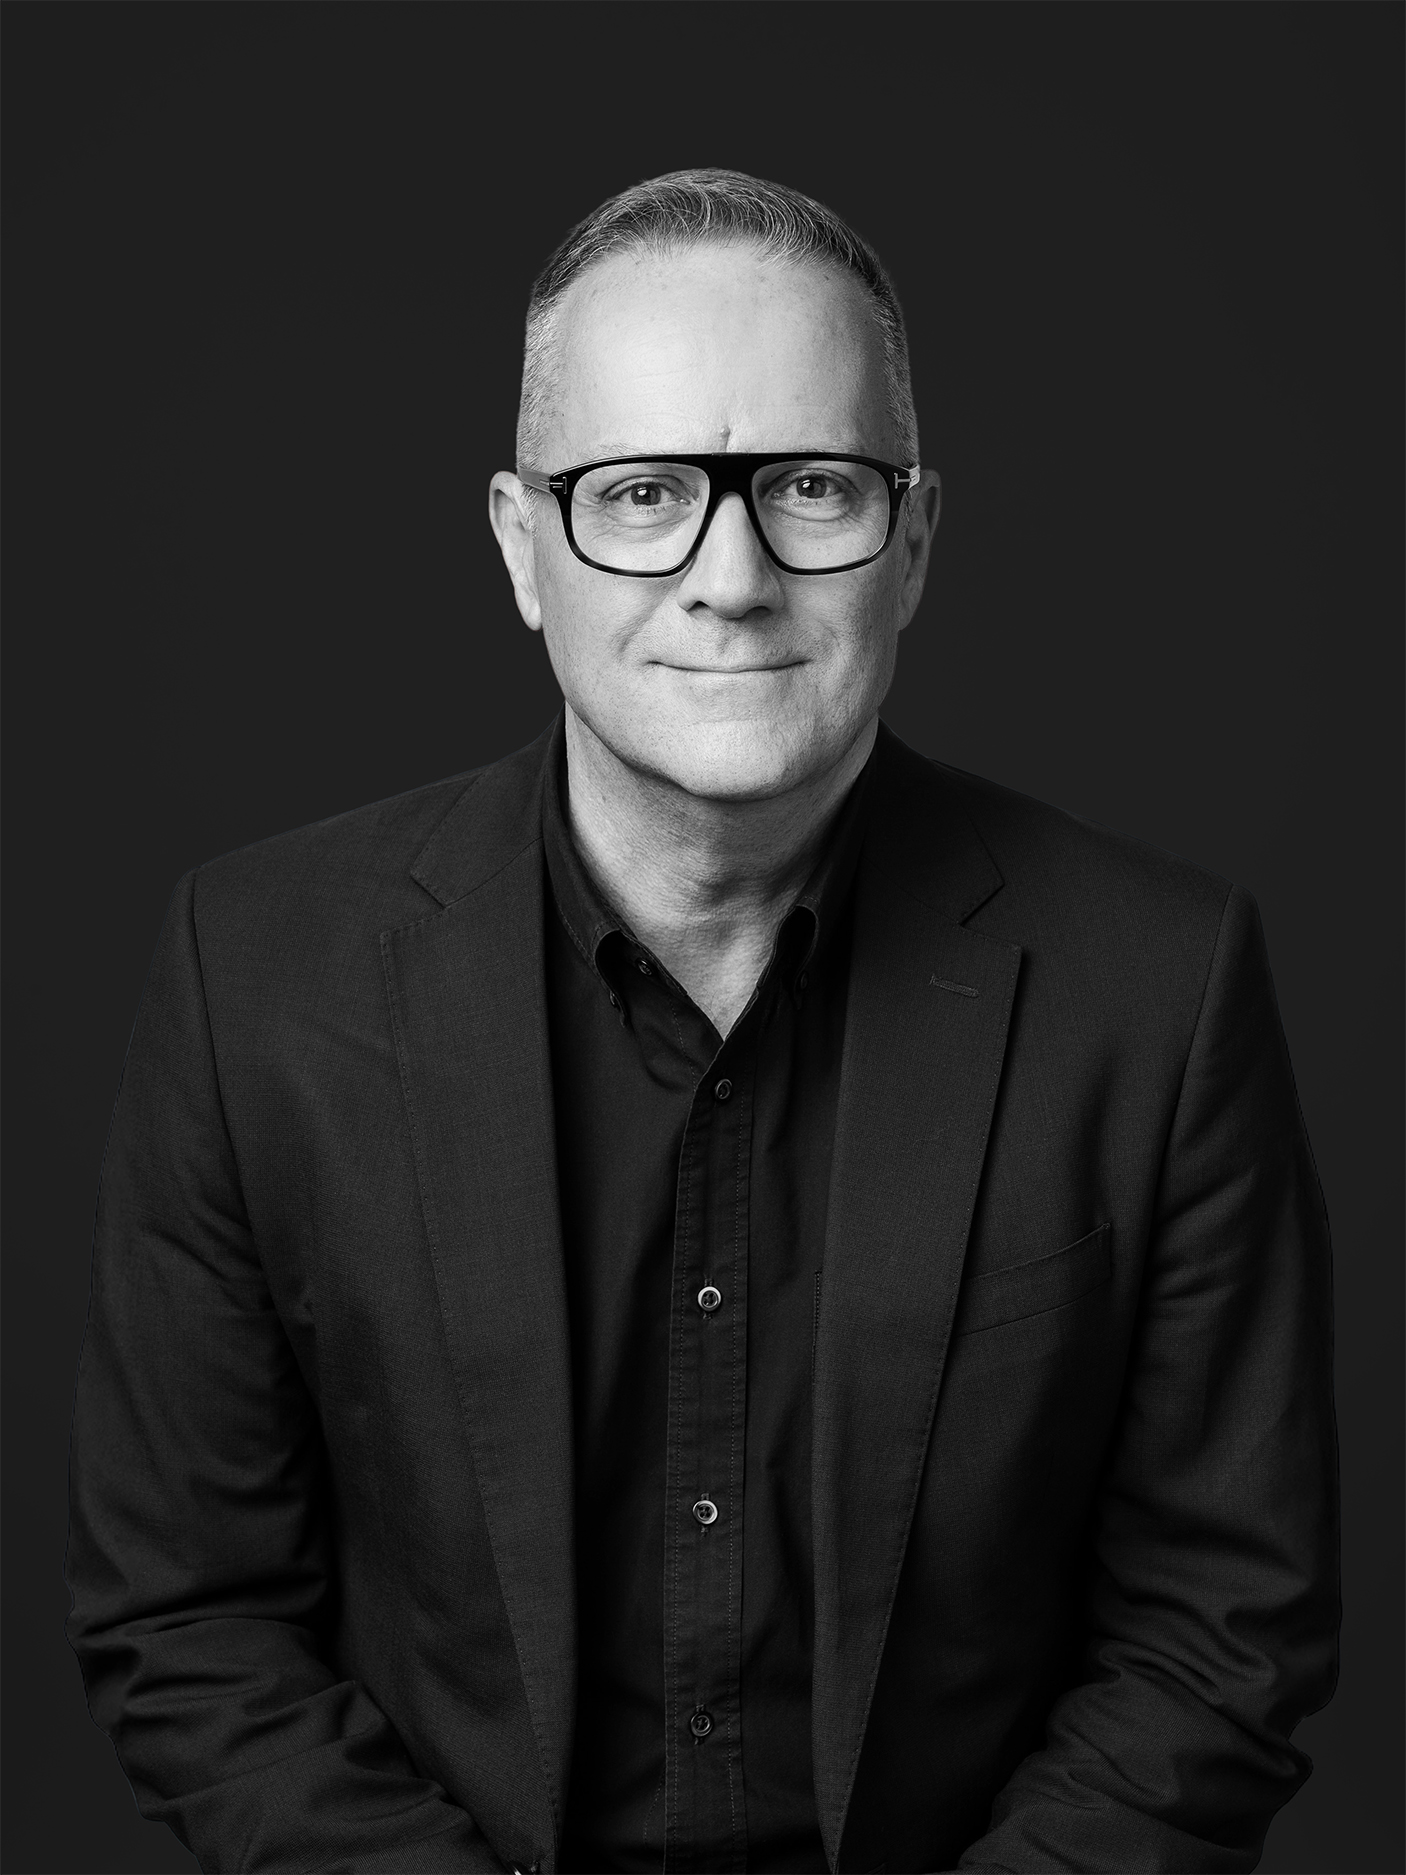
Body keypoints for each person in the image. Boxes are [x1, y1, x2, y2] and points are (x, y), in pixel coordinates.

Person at [66, 170, 1338, 1875]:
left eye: (811, 486)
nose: (729, 577)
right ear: (522, 548)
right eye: (642, 492)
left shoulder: (1158, 988)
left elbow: (1219, 1632)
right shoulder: (254, 974)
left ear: (914, 540)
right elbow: (191, 1616)